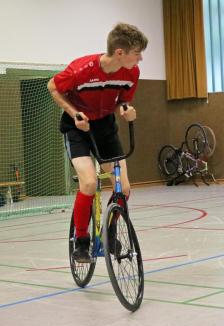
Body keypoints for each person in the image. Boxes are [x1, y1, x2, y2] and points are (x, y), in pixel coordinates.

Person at [47, 23, 148, 262]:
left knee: (124, 188)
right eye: (137, 53)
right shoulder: (81, 69)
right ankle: (81, 241)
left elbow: (121, 101)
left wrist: (125, 109)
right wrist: (74, 114)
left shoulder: (131, 73)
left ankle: (110, 233)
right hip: (78, 127)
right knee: (90, 183)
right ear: (120, 52)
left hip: (104, 127)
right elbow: (53, 87)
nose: (141, 58)